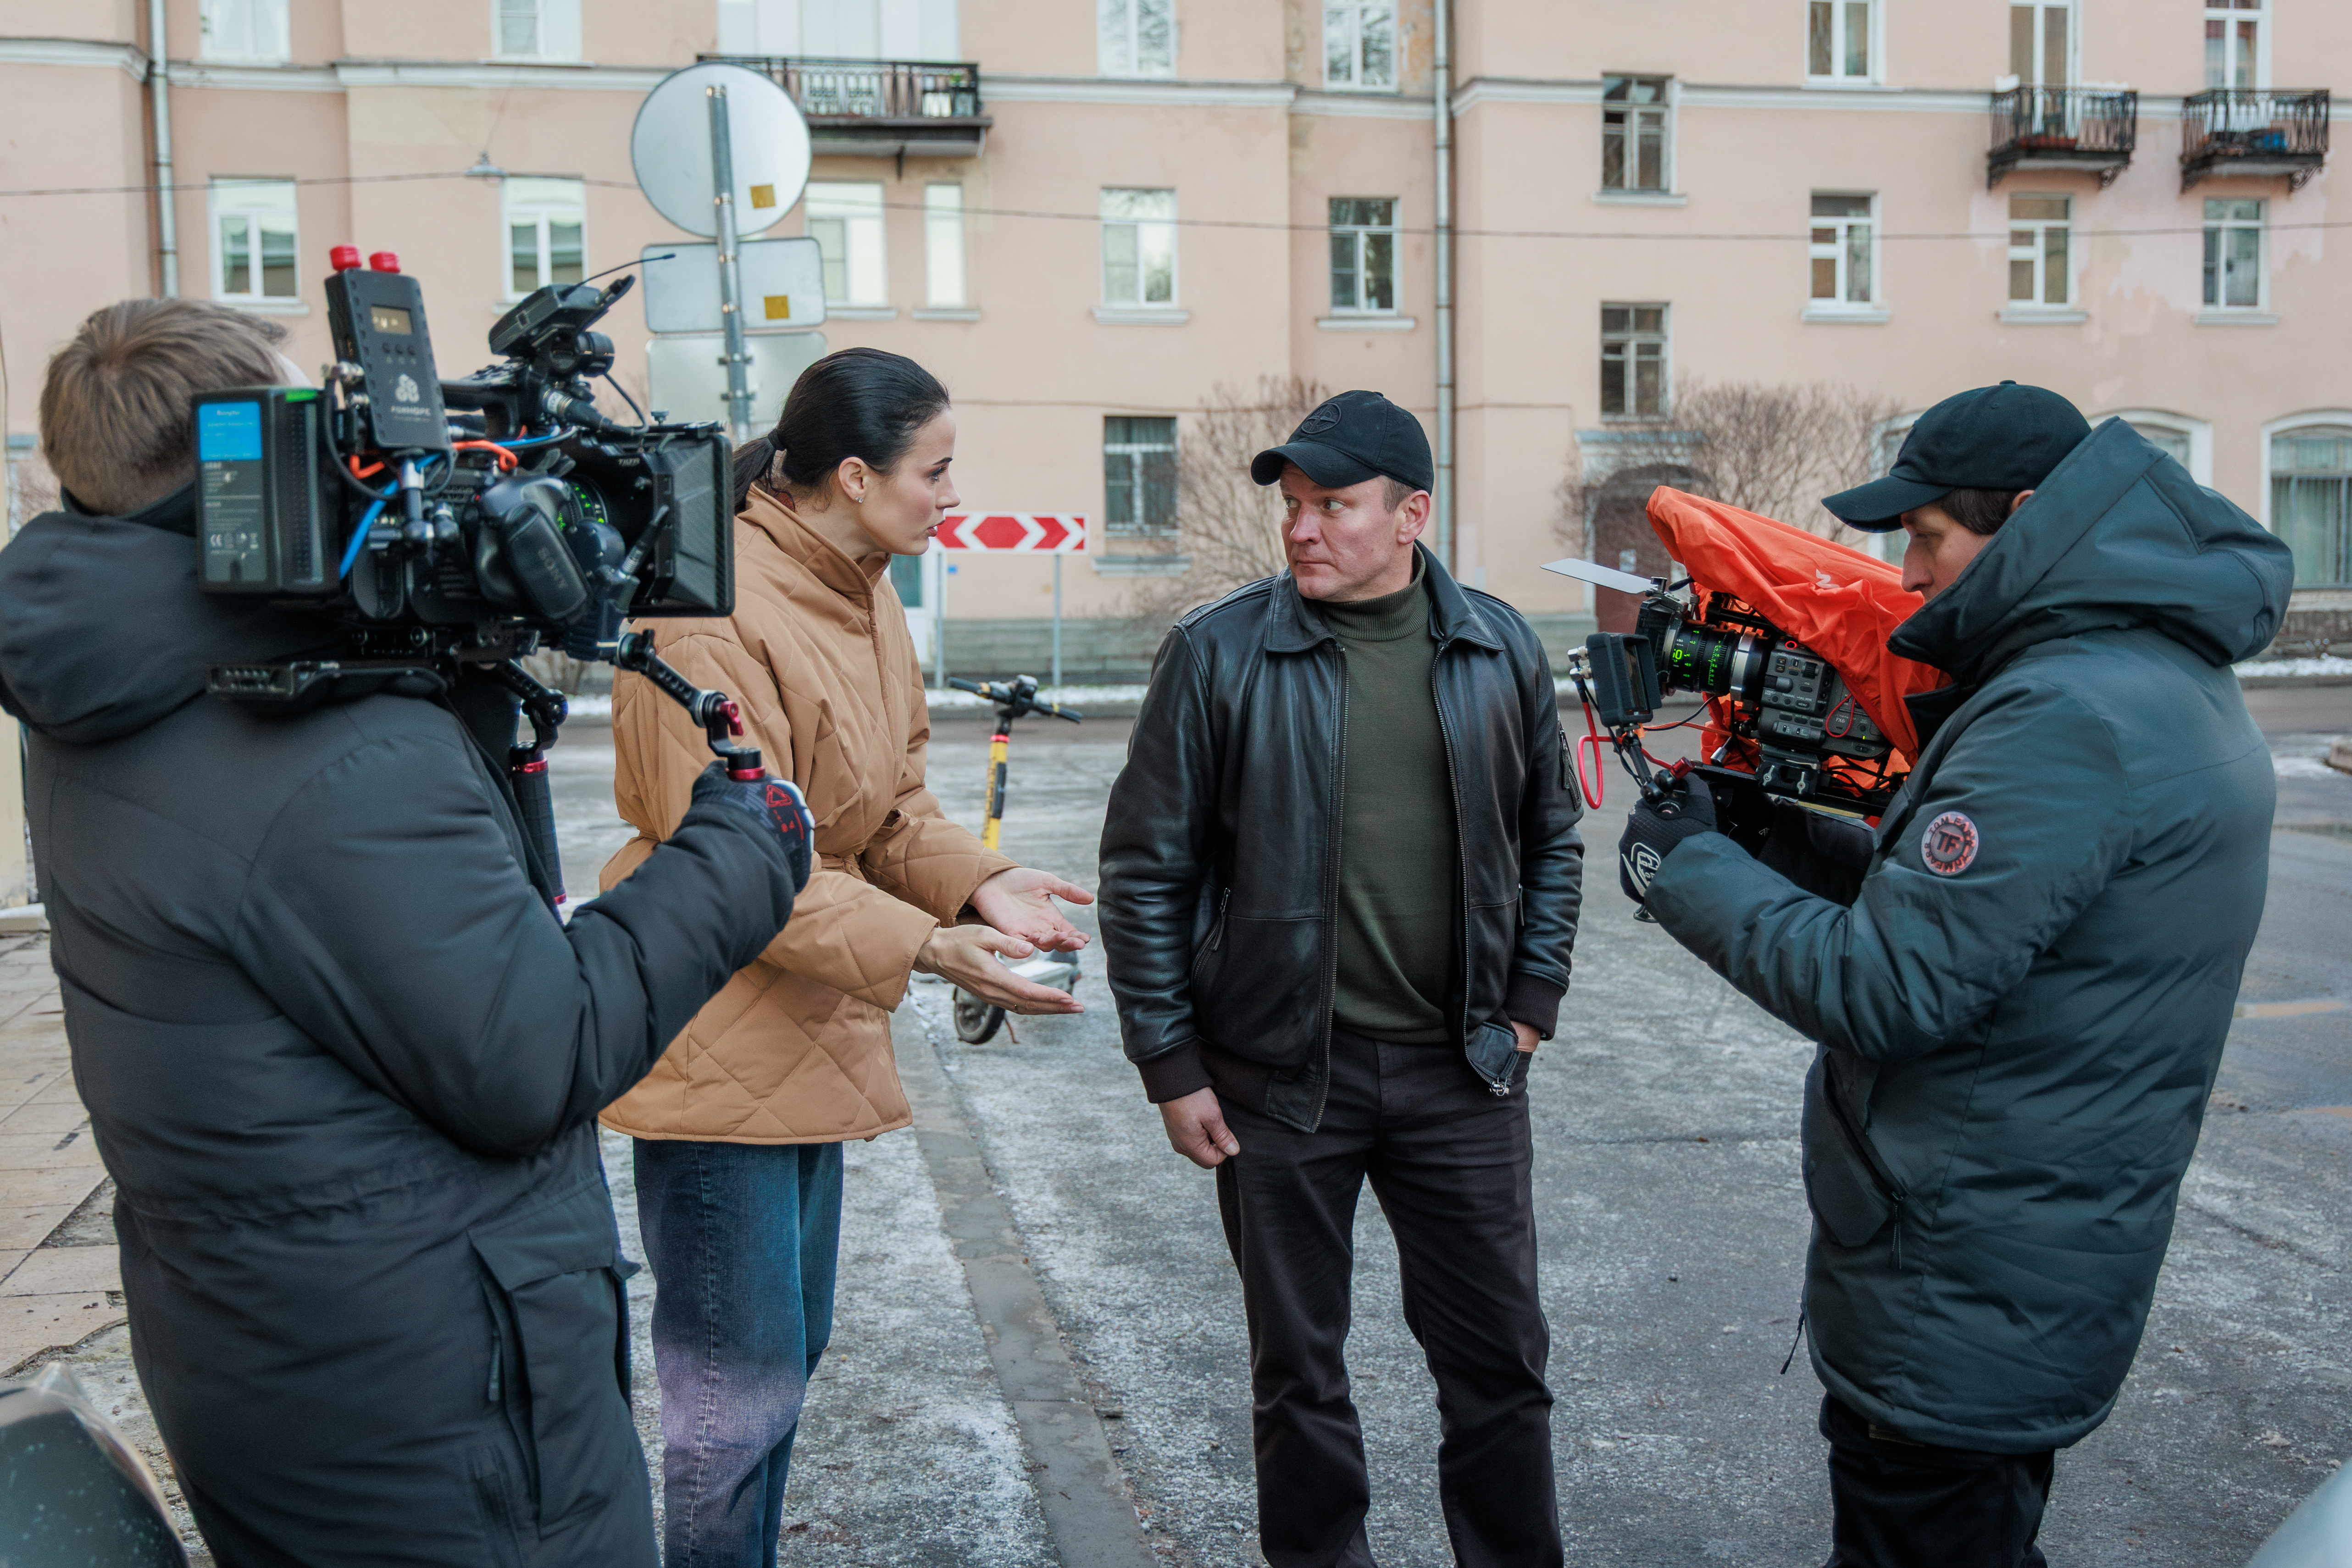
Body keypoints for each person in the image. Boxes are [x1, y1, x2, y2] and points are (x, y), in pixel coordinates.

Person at [0, 298, 813, 1564]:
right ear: (254, 457)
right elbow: (532, 1052)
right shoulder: (332, 746)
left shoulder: (112, 683)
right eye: (336, 436)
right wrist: (745, 844)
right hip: (447, 1416)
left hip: (276, 1355)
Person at [1617, 382, 2295, 1568]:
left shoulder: (2066, 712)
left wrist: (1682, 871)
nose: (1912, 574)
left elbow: (1889, 987)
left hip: (1960, 1277)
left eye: (1927, 536)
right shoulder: (2145, 673)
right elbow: (1981, 932)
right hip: (2023, 1257)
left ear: (2026, 517)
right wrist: (1769, 837)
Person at [600, 346, 1093, 1568]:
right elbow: (738, 859)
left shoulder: (861, 585)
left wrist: (982, 878)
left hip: (805, 1028)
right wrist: (931, 945)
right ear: (859, 474)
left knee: (783, 1359)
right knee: (733, 1400)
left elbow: (886, 809)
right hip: (719, 1046)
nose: (950, 497)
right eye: (937, 472)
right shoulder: (707, 608)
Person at [1098, 390, 1585, 1568]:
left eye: (1335, 506)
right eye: (1294, 506)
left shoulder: (1496, 644)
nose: (1302, 529)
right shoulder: (1218, 652)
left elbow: (1551, 838)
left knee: (1500, 1370)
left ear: (1412, 512)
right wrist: (1168, 1060)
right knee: (1297, 1375)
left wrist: (1527, 1009)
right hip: (1276, 1085)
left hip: (1462, 1073)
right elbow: (1144, 867)